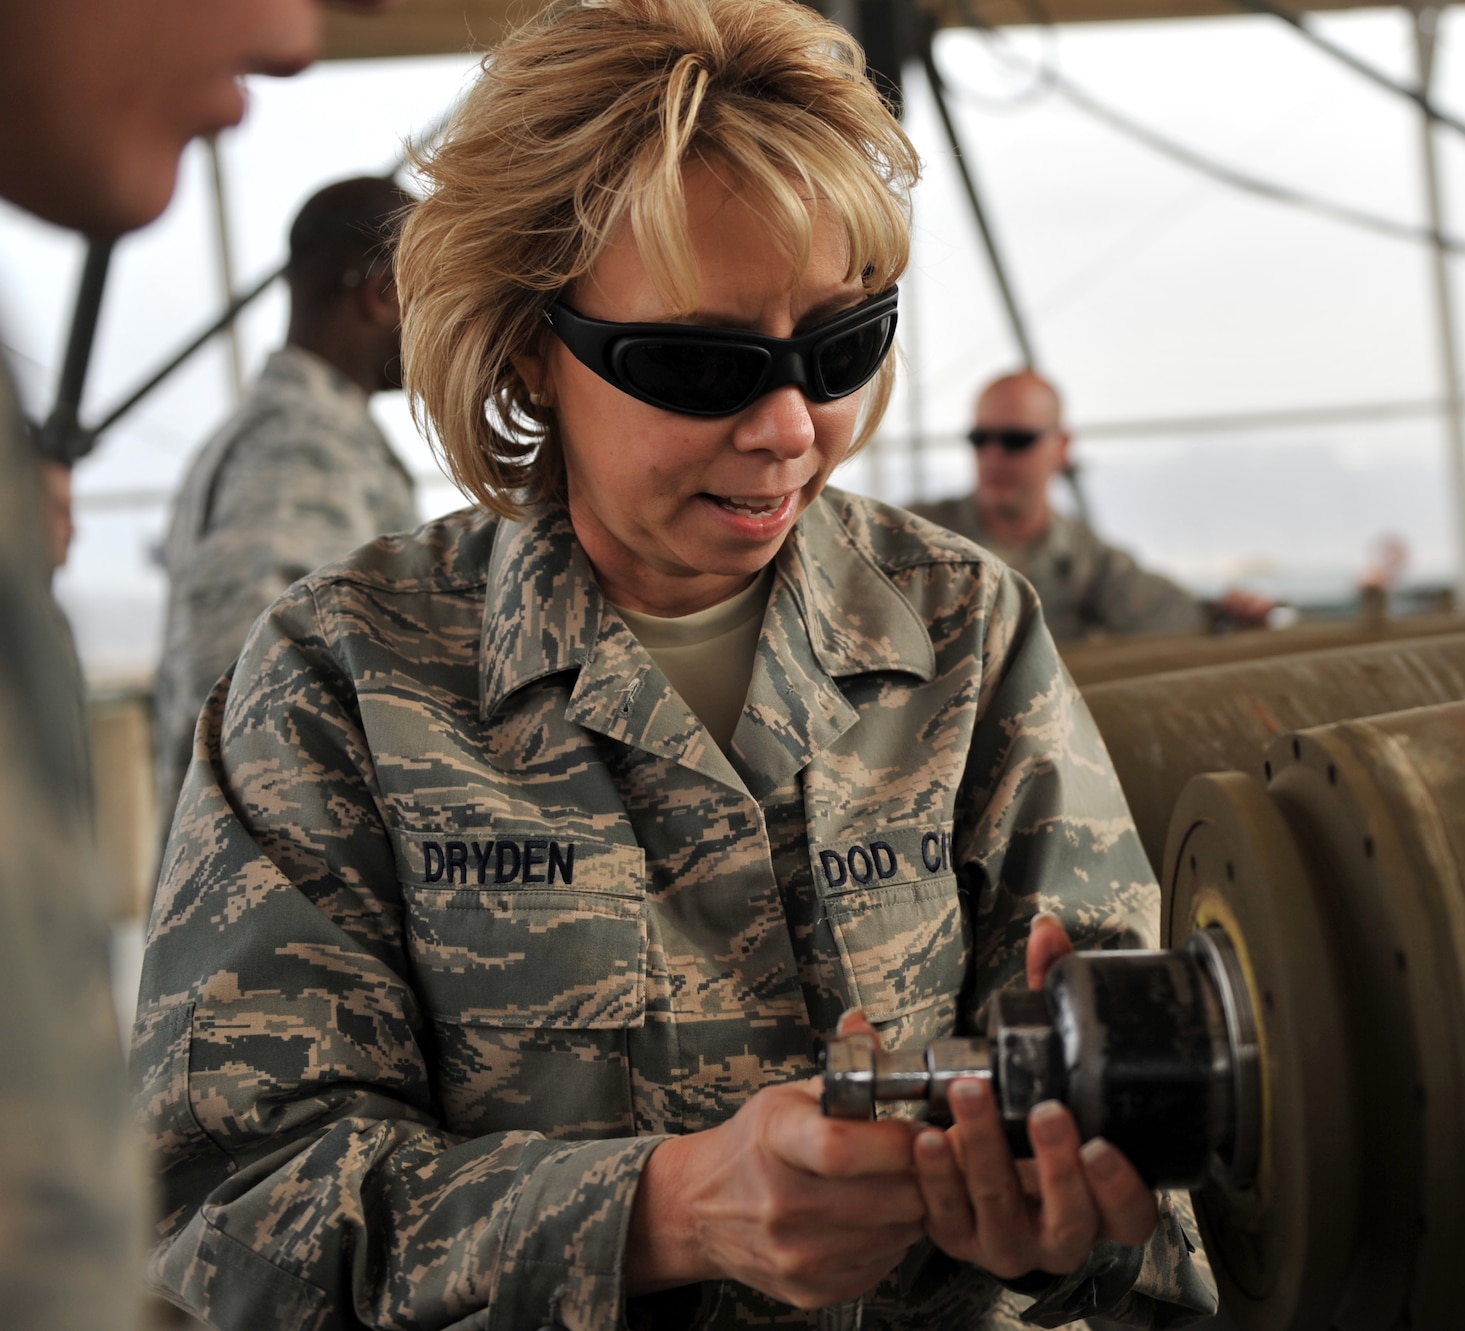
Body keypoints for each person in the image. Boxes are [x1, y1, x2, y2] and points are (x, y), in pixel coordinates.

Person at [134, 1, 1218, 1327]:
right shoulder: (344, 682)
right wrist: (666, 1211)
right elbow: (226, 1221)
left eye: (842, 348)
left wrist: (1066, 1221)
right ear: (530, 346)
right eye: (700, 363)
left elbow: (1156, 1150)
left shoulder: (961, 629)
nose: (786, 431)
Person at [0, 0, 393, 1326]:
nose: (295, 45)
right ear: (378, 287)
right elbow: (258, 725)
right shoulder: (296, 453)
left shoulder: (307, 438)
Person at [153, 174, 418, 830]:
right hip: (287, 896)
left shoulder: (275, 429)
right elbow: (254, 696)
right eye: (434, 290)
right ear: (383, 294)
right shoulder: (301, 445)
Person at [911, 372, 1277, 642]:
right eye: (980, 439)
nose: (992, 455)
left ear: (1062, 446)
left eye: (1015, 440)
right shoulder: (915, 538)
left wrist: (1233, 618)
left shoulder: (1085, 560)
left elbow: (1162, 612)